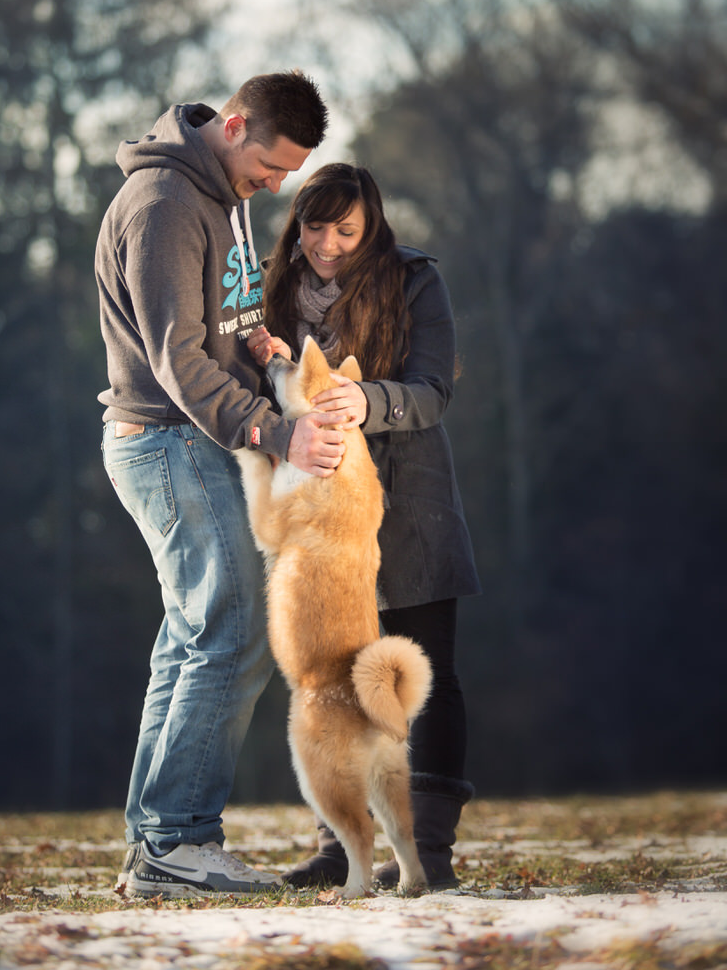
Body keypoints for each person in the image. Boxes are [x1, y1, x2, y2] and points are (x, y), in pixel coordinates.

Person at [95, 71, 341, 900]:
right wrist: (276, 430)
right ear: (234, 126)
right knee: (232, 632)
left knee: (191, 637)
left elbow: (212, 327)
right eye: (271, 169)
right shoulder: (167, 203)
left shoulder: (219, 188)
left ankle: (153, 843)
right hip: (168, 443)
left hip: (186, 439)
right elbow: (177, 360)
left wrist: (257, 345)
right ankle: (179, 841)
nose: (277, 188)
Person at [247, 163, 480, 891]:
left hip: (407, 498)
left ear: (371, 227)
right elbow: (256, 387)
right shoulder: (270, 284)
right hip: (318, 505)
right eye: (315, 228)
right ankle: (336, 839)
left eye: (345, 231)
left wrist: (366, 401)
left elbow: (433, 390)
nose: (327, 245)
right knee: (331, 673)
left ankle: (428, 851)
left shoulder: (416, 281)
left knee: (422, 673)